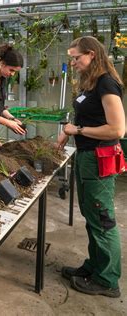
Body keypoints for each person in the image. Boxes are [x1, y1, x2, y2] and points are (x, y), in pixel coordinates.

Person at [57, 36, 125, 298]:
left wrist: (79, 130)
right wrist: (68, 131)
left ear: (92, 54)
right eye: (71, 57)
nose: (73, 62)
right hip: (88, 155)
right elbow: (86, 115)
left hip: (100, 157)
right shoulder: (91, 82)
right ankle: (95, 267)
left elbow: (118, 128)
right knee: (92, 216)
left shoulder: (107, 82)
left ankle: (107, 280)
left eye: (77, 57)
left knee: (102, 218)